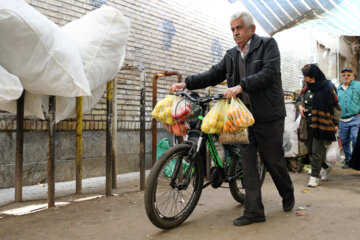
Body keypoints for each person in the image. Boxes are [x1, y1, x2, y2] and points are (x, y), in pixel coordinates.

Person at [169, 11, 294, 226]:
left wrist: (241, 86)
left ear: (251, 29)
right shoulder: (230, 55)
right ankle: (254, 211)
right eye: (233, 29)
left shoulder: (268, 45)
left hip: (268, 115)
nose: (235, 33)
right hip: (241, 117)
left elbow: (269, 73)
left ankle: (287, 192)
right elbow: (213, 74)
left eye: (239, 28)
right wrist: (186, 83)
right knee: (247, 162)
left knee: (273, 160)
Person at [296, 64, 341, 187]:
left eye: (306, 76)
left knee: (317, 151)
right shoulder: (306, 87)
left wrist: (336, 123)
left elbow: (336, 106)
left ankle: (314, 177)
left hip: (322, 122)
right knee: (310, 150)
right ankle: (325, 167)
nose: (304, 78)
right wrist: (300, 106)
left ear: (313, 76)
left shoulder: (328, 86)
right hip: (307, 123)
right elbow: (299, 98)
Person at [337, 67, 360, 169]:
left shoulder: (358, 86)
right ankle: (348, 160)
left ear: (352, 76)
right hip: (342, 120)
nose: (346, 76)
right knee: (344, 141)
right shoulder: (337, 89)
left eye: (348, 75)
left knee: (355, 138)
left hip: (355, 118)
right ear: (341, 77)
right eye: (344, 75)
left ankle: (356, 160)